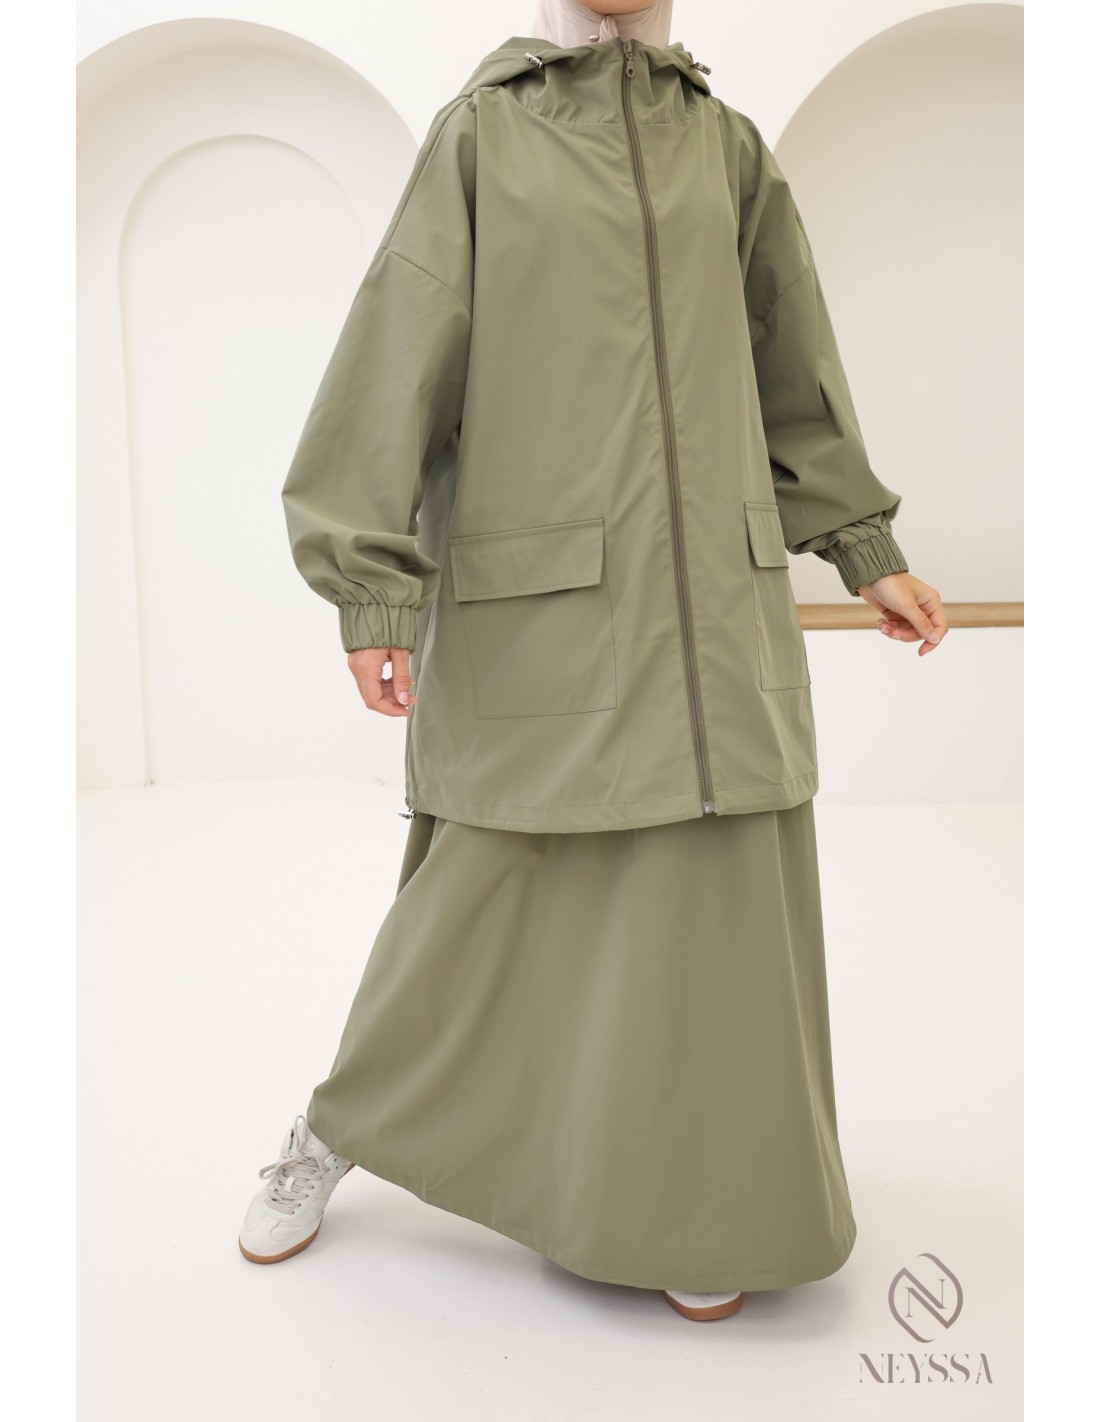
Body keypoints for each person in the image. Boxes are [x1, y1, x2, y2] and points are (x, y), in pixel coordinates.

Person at [238, 0, 947, 1324]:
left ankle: (695, 1195)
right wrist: (370, 587)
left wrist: (864, 548)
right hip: (542, 603)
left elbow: (792, 359)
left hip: (714, 613)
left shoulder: (726, 148)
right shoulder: (481, 137)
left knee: (706, 912)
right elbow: (396, 354)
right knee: (479, 895)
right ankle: (335, 1123)